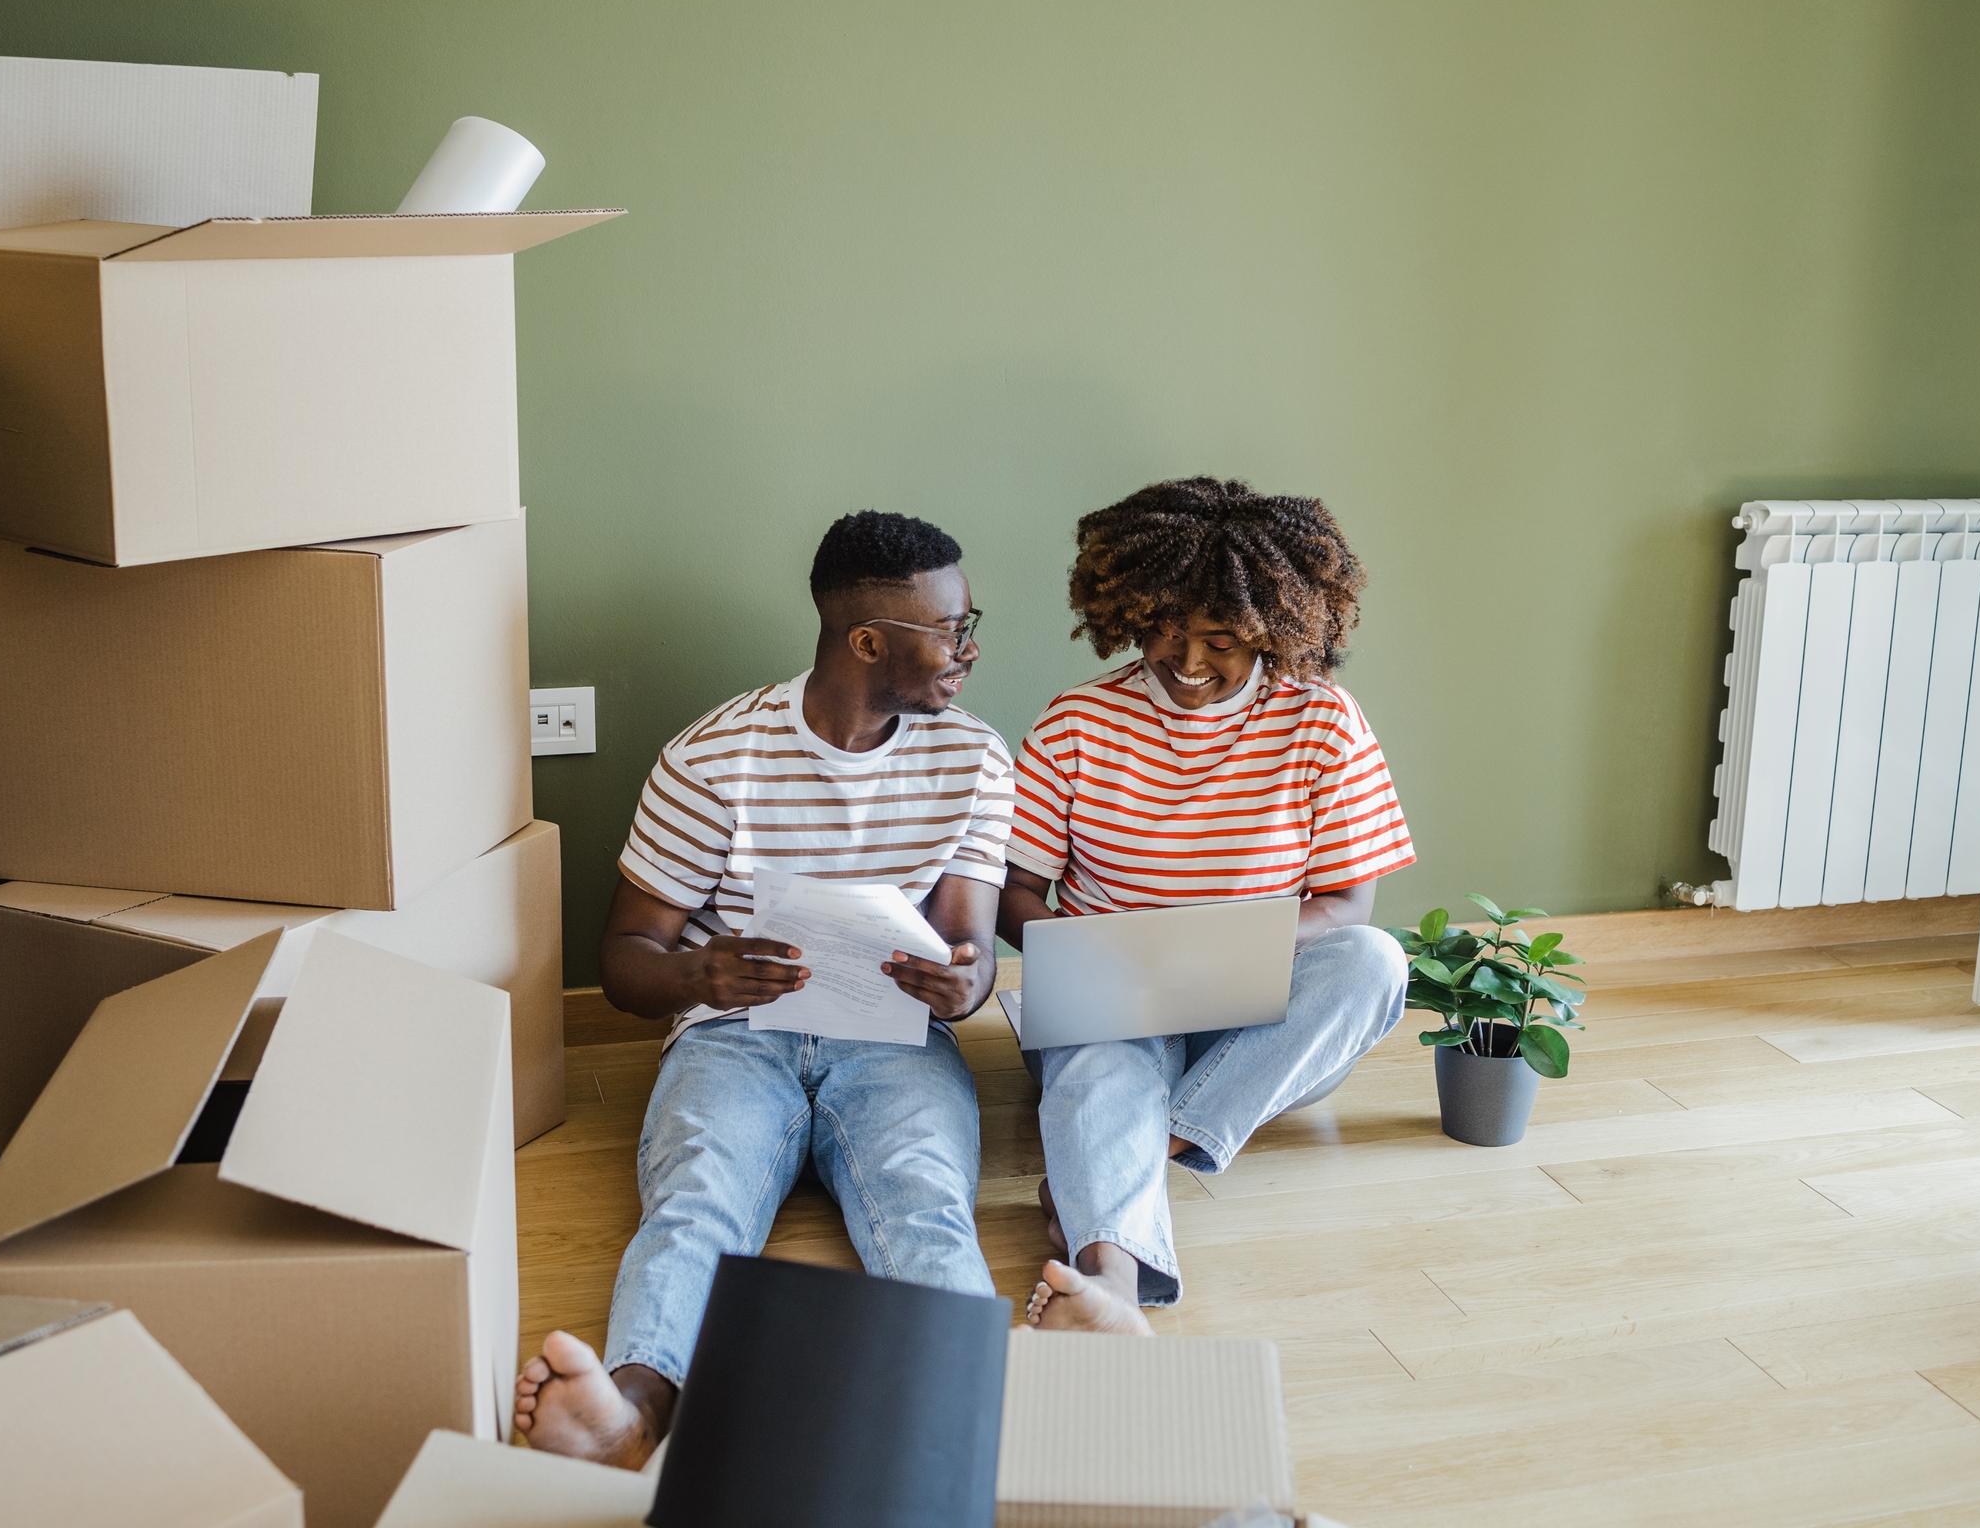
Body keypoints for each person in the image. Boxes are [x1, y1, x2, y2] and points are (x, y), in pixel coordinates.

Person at [513, 510, 1012, 1467]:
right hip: (732, 1034)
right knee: (700, 1196)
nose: (968, 648)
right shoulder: (714, 758)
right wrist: (701, 974)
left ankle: (964, 1412)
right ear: (868, 641)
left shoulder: (976, 757)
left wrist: (964, 987)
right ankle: (631, 1408)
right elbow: (624, 960)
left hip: (896, 1037)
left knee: (924, 1196)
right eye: (949, 631)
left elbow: (971, 947)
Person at [999, 476, 1415, 1334]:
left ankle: (1128, 1156)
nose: (1188, 664)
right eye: (1163, 632)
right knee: (1101, 1054)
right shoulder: (1079, 723)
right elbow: (1012, 891)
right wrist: (1102, 959)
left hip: (1252, 1023)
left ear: (1275, 626)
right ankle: (1107, 1284)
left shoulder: (1321, 721)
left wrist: (1206, 953)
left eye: (1220, 640)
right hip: (1112, 999)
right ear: (1129, 613)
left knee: (1375, 961)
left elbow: (1346, 903)